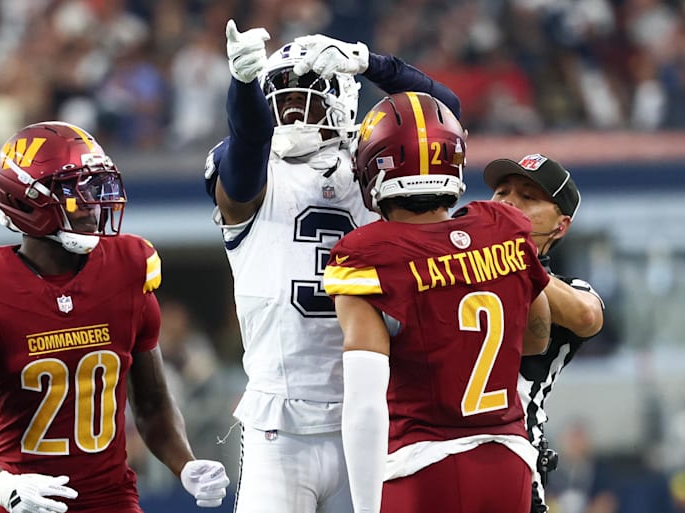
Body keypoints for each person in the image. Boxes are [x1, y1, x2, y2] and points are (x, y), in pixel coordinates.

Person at [204, 19, 463, 513]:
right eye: (281, 99)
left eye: (307, 96)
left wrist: (369, 62)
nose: (292, 111)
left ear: (343, 97)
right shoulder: (254, 172)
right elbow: (249, 145)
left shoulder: (373, 161)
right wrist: (242, 85)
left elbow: (444, 115)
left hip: (371, 413)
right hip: (280, 424)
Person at [0, 121, 230, 513]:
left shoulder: (128, 269)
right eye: (75, 191)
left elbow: (153, 403)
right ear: (27, 201)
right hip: (25, 503)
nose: (92, 203)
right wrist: (2, 484)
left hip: (112, 501)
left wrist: (185, 463)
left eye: (96, 187)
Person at [324, 92, 553, 513]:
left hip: (425, 465)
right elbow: (537, 340)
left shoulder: (369, 252)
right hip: (509, 462)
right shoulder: (504, 226)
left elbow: (364, 404)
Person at [483, 153, 605, 513]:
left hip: (513, 454)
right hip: (432, 451)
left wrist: (512, 254)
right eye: (502, 192)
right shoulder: (455, 266)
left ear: (560, 226)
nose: (508, 202)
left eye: (527, 197)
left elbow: (586, 315)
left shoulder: (572, 289)